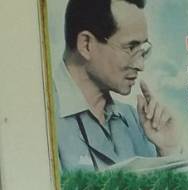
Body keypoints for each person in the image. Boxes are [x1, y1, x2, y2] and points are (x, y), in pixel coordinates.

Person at [55, 0, 178, 172]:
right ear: (86, 45)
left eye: (142, 50)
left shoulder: (134, 120)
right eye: (131, 47)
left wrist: (168, 152)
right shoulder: (40, 116)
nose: (141, 65)